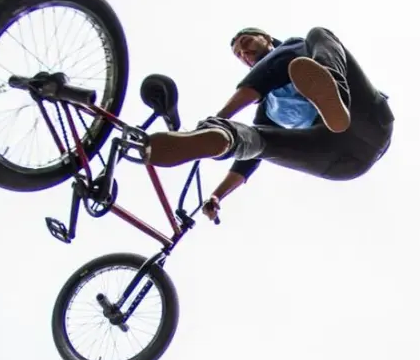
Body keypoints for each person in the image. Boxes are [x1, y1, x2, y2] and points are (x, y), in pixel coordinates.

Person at [144, 27, 395, 222]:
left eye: (247, 43)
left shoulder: (296, 49)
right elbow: (248, 161)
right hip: (340, 160)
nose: (245, 53)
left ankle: (335, 91)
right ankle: (224, 135)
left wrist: (220, 115)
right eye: (239, 55)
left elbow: (276, 64)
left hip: (367, 117)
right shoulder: (269, 109)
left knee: (317, 34)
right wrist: (217, 195)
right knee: (256, 140)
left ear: (266, 38)